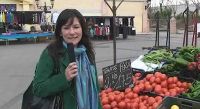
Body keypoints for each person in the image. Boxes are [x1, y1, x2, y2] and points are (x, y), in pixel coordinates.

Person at [32, 9, 102, 109]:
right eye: (66, 28)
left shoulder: (87, 52)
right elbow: (38, 88)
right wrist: (64, 78)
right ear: (60, 32)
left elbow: (93, 89)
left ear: (82, 29)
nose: (72, 32)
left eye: (76, 27)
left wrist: (98, 81)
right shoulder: (50, 53)